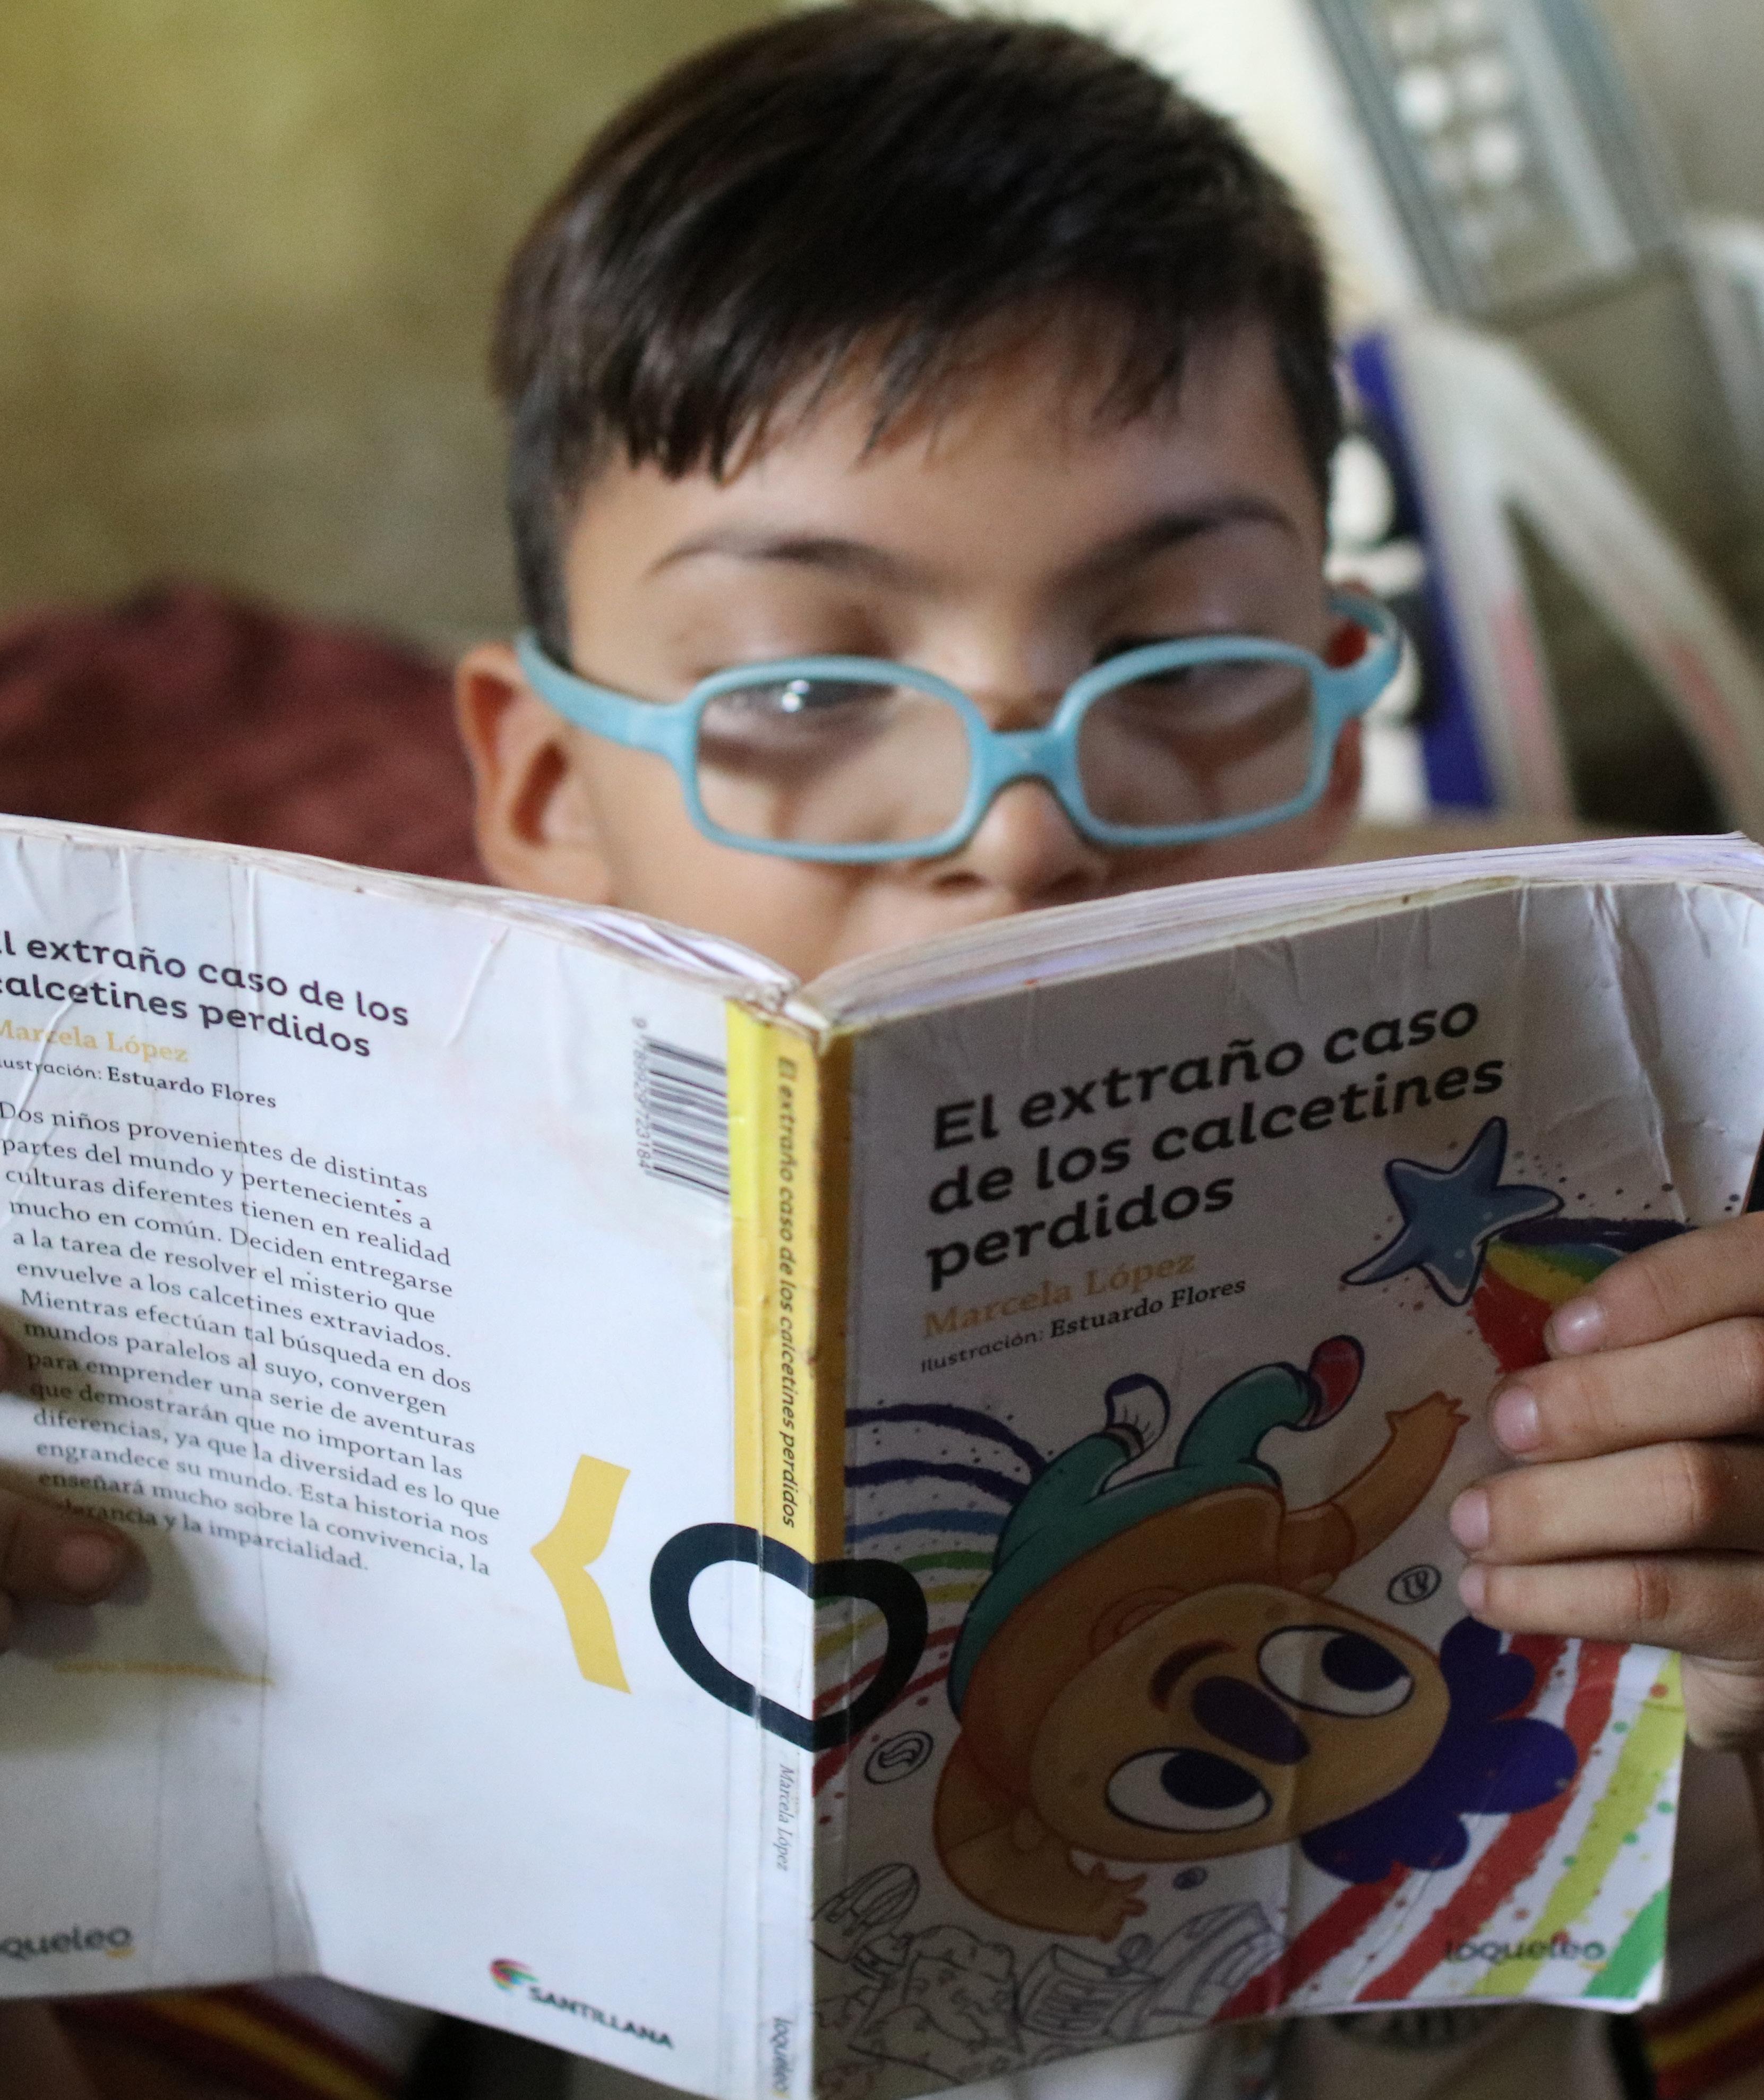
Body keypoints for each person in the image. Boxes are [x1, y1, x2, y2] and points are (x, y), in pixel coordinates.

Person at [7, 5, 1764, 2095]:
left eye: (1179, 655)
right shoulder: (356, 1358)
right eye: (805, 684)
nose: (1018, 832)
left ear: (1327, 709)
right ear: (549, 785)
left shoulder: (1611, 1298)